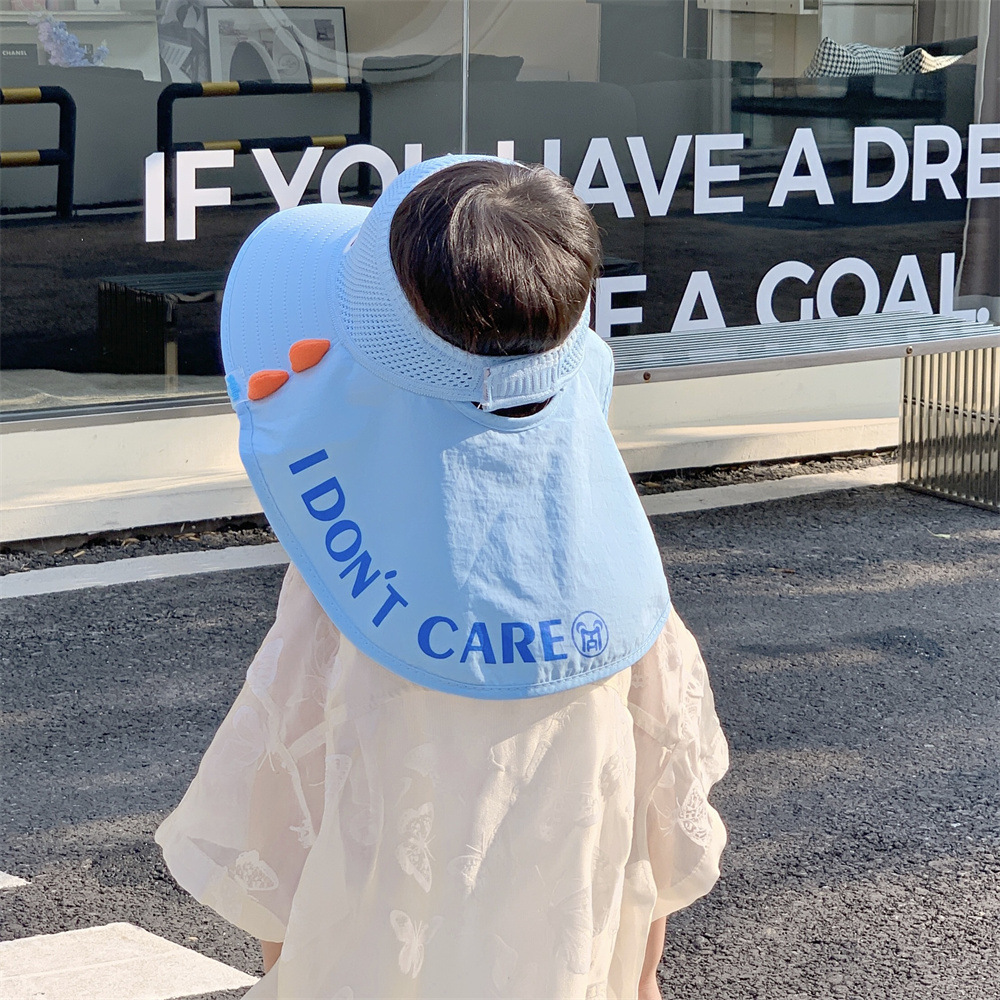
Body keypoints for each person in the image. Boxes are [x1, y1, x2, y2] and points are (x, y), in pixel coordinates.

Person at [155, 155, 729, 999]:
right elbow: (657, 821)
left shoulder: (349, 580)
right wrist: (640, 982)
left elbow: (278, 828)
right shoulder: (619, 578)